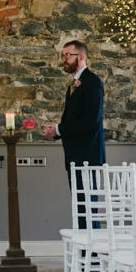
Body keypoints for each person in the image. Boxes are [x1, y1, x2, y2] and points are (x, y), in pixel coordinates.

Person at [41, 39, 105, 248]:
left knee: (88, 209)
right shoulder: (75, 84)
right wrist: (57, 131)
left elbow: (90, 122)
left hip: (88, 156)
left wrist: (59, 129)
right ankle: (83, 263)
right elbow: (75, 121)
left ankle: (94, 263)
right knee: (80, 209)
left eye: (68, 55)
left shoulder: (92, 82)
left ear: (82, 57)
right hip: (76, 156)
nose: (64, 59)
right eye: (63, 55)